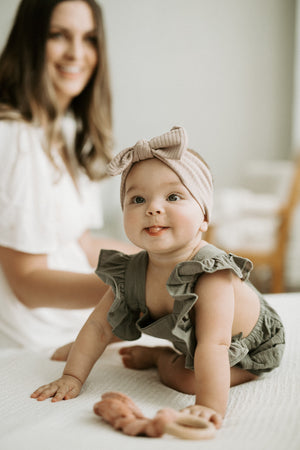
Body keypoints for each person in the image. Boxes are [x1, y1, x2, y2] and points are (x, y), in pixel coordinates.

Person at [31, 126, 285, 432]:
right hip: (199, 345)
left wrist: (208, 406)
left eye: (173, 196)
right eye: (137, 199)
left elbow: (215, 345)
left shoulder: (210, 273)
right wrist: (73, 374)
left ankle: (161, 358)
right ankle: (149, 352)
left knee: (188, 380)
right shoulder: (131, 272)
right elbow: (99, 325)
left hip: (244, 346)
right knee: (113, 322)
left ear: (204, 216)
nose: (153, 208)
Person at [0, 0, 134, 353]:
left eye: (89, 38)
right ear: (29, 41)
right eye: (58, 35)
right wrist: (139, 287)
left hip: (75, 321)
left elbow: (82, 245)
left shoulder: (68, 130)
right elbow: (26, 284)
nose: (77, 53)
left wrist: (164, 260)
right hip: (33, 343)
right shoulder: (12, 137)